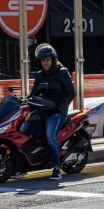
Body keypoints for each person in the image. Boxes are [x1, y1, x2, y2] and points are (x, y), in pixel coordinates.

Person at [29, 43, 76, 181]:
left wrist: (58, 107)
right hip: (42, 109)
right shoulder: (39, 76)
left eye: (48, 60)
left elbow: (71, 93)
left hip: (57, 111)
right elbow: (33, 93)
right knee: (25, 132)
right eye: (43, 60)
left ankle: (56, 168)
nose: (45, 63)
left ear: (53, 60)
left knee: (50, 135)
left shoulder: (62, 72)